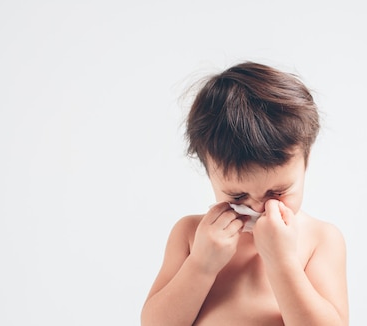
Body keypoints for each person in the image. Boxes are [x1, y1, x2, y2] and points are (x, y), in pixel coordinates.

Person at [141, 61, 348, 325]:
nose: (258, 207)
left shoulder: (319, 240)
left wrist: (282, 262)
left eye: (277, 191)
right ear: (210, 176)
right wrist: (202, 265)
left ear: (305, 164)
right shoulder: (191, 235)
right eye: (237, 196)